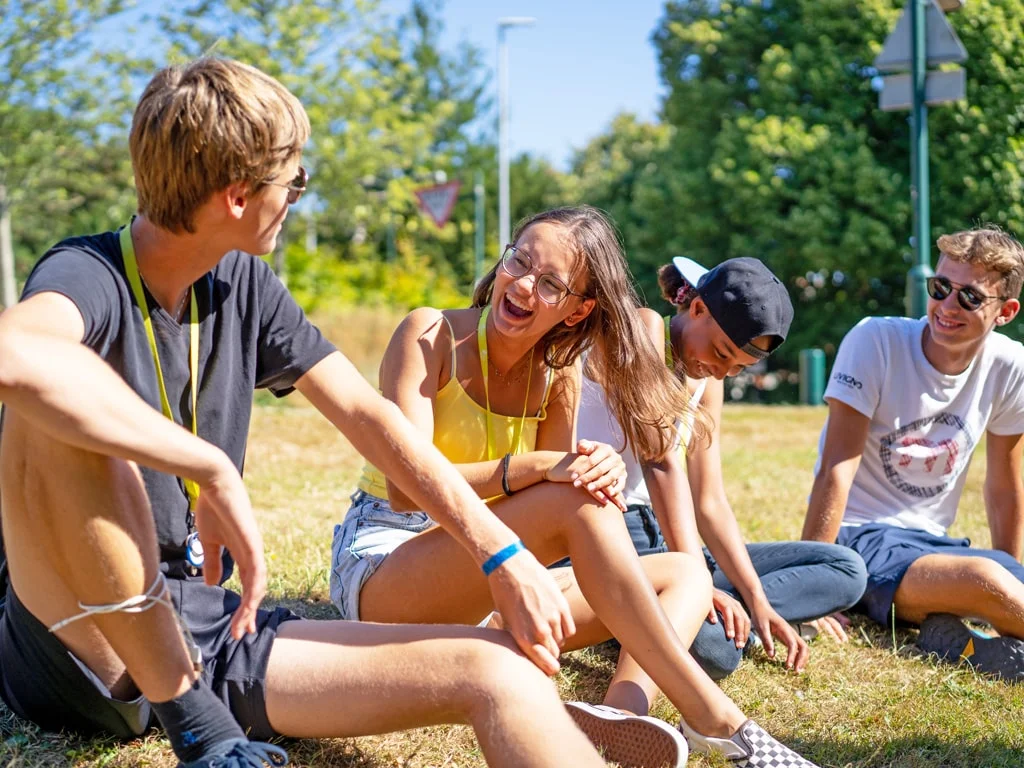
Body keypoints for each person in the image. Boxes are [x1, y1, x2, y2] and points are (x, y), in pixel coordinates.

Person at [0, 57, 614, 768]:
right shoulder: (88, 274)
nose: (298, 196)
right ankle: (198, 725)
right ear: (237, 194)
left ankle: (202, 712)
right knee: (50, 410)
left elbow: (366, 416)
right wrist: (203, 464)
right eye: (295, 180)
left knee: (496, 668)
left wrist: (498, 551)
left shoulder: (244, 286)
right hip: (76, 640)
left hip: (206, 629)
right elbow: (14, 355)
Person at [332, 207, 822, 768]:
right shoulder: (430, 333)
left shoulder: (559, 375)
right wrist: (542, 467)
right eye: (518, 260)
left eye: (550, 284)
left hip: (495, 573)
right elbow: (405, 490)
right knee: (574, 498)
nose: (521, 285)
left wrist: (597, 472)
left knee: (686, 570)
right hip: (390, 564)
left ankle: (622, 715)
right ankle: (717, 719)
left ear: (578, 309)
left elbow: (554, 503)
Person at [575, 255, 868, 681]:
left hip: (663, 536)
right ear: (697, 309)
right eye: (721, 353)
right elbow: (660, 467)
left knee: (846, 569)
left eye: (740, 367)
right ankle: (644, 616)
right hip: (608, 531)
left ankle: (726, 614)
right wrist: (697, 579)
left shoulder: (710, 380)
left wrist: (757, 597)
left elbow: (708, 500)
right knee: (717, 654)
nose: (723, 371)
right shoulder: (642, 336)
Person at [802, 226, 1024, 681]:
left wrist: (1013, 571)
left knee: (1002, 578)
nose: (945, 306)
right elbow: (834, 469)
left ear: (1005, 311)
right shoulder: (875, 341)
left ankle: (964, 639)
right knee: (986, 581)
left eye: (969, 297)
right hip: (859, 541)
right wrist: (813, 587)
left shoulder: (1009, 365)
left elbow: (1004, 484)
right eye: (940, 288)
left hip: (931, 545)